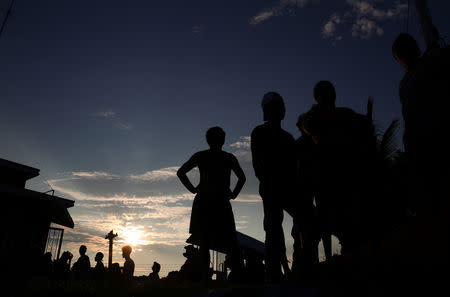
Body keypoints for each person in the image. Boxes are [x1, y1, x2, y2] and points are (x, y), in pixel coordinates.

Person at [303, 81, 377, 255]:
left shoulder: (338, 115)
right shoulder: (342, 114)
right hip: (333, 178)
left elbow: (365, 129)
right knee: (338, 224)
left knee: (343, 225)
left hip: (340, 178)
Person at [177, 126, 246, 281]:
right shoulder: (228, 157)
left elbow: (181, 172)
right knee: (229, 240)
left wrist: (193, 189)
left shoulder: (201, 156)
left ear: (208, 140)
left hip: (205, 200)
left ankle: (205, 276)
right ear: (223, 140)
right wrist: (233, 194)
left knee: (205, 241)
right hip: (220, 200)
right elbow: (242, 178)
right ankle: (236, 275)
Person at [251, 92, 296, 282]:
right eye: (277, 106)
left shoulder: (288, 138)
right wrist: (270, 183)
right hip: (271, 187)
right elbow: (257, 165)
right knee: (273, 227)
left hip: (284, 187)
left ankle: (298, 267)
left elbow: (293, 167)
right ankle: (273, 273)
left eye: (281, 106)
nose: (281, 110)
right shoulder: (260, 132)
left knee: (298, 222)